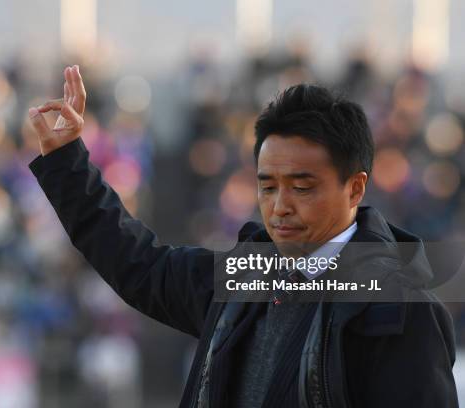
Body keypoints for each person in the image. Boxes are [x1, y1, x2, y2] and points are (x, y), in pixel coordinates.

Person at [27, 65, 458, 407]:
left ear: (355, 188)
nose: (280, 205)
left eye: (302, 187)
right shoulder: (240, 278)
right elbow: (135, 262)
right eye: (268, 186)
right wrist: (67, 161)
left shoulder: (401, 311)